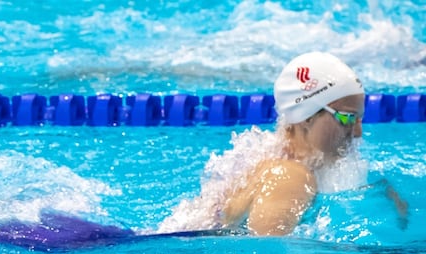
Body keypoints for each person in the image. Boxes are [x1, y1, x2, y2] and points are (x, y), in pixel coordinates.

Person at [158, 51, 407, 236]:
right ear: (307, 116)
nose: (357, 133)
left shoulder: (292, 162)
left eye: (360, 119)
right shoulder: (289, 176)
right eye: (347, 118)